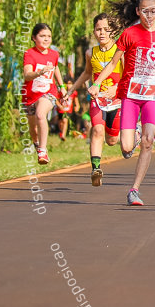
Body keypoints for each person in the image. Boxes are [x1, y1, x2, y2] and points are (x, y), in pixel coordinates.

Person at [88, 0, 155, 206]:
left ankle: (134, 190)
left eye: (154, 11)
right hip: (129, 96)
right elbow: (112, 64)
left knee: (148, 143)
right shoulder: (129, 34)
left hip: (151, 96)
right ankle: (135, 133)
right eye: (145, 11)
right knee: (127, 148)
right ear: (138, 11)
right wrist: (97, 83)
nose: (150, 15)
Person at [67, 13, 123, 185]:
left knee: (112, 140)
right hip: (97, 100)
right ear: (94, 32)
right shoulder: (91, 53)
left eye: (106, 29)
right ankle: (96, 168)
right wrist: (70, 91)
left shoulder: (120, 51)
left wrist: (116, 88)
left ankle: (131, 132)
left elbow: (129, 75)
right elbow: (86, 73)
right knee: (97, 130)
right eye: (98, 29)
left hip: (116, 101)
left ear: (113, 31)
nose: (102, 33)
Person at [22, 23, 68, 165]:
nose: (46, 39)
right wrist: (38, 73)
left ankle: (43, 150)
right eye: (42, 36)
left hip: (48, 92)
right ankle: (37, 144)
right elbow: (27, 75)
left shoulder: (54, 54)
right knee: (32, 128)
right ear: (34, 38)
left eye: (48, 36)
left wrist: (62, 87)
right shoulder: (29, 54)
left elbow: (55, 69)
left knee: (41, 114)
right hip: (30, 94)